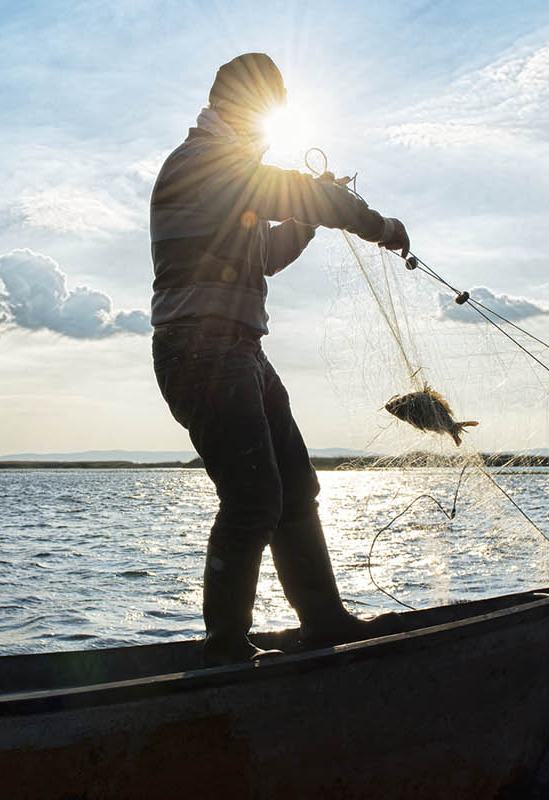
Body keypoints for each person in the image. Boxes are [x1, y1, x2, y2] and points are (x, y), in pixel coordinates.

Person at [149, 53, 412, 666]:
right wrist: (378, 225)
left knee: (296, 489)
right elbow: (293, 192)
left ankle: (324, 622)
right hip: (200, 350)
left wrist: (310, 216)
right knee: (252, 499)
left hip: (238, 348)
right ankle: (224, 649)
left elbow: (264, 253)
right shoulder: (200, 163)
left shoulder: (229, 172)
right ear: (236, 108)